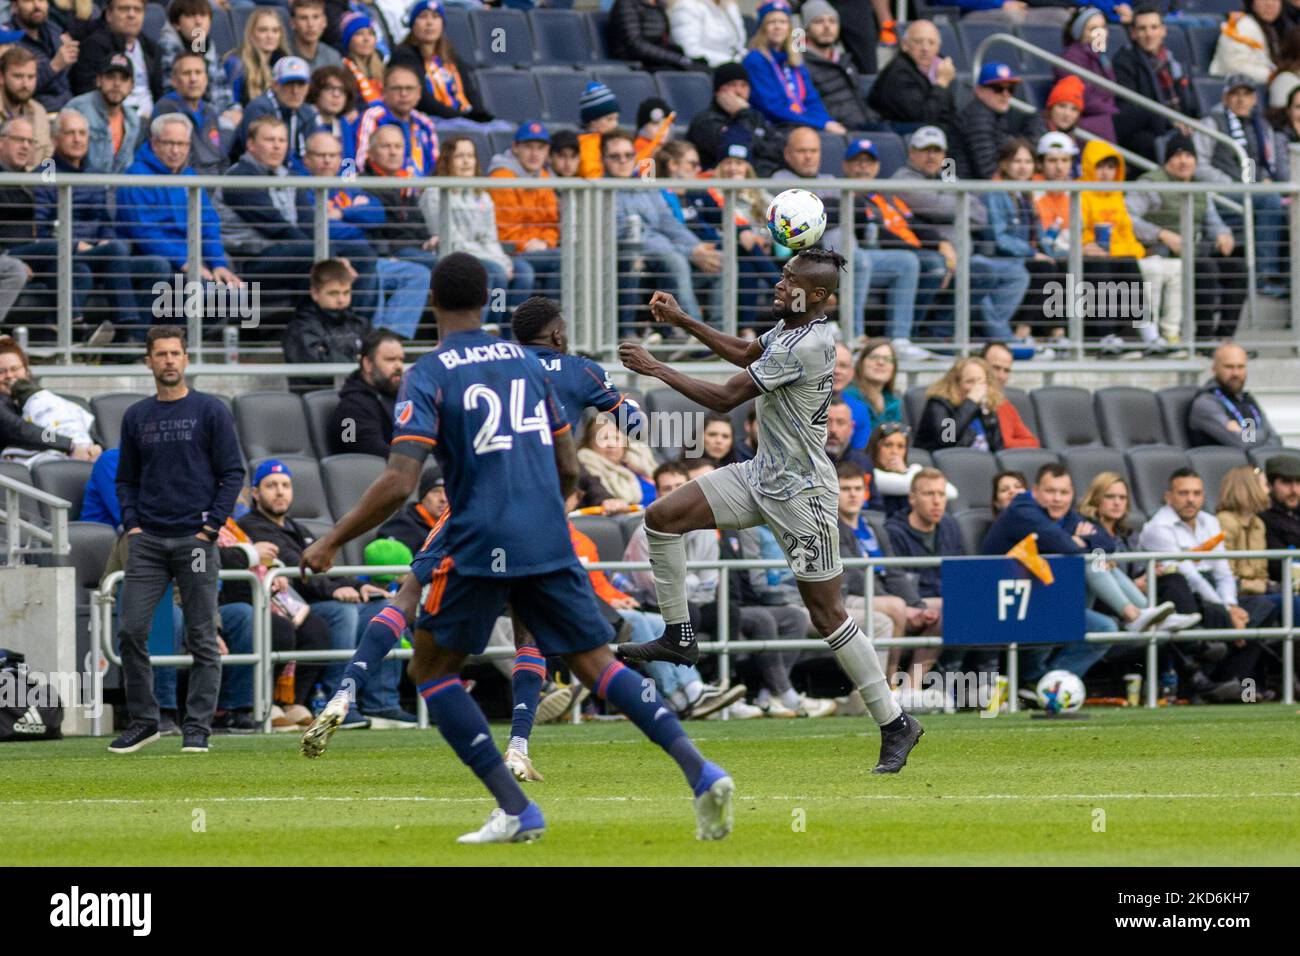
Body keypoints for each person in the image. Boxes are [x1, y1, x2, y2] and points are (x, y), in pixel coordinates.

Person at [302, 253, 735, 844]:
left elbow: (401, 482)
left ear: (433, 301)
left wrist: (331, 540)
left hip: (478, 532)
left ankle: (516, 808)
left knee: (432, 667)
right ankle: (701, 772)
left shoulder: (428, 373)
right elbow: (565, 465)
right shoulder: (536, 365)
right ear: (487, 302)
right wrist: (546, 510)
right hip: (545, 531)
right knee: (596, 663)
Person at [616, 253, 926, 774]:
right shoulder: (792, 327)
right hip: (761, 476)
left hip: (803, 496)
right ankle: (680, 636)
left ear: (820, 298)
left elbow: (722, 399)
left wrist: (655, 368)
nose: (781, 285)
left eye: (792, 282)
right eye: (784, 276)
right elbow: (745, 353)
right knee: (662, 517)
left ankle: (896, 722)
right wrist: (684, 320)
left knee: (827, 614)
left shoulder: (807, 343)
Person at [107, 326, 243, 756]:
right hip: (147, 541)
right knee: (131, 631)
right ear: (149, 361)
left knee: (202, 634)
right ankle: (145, 720)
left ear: (186, 359)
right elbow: (125, 478)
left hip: (197, 543)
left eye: (175, 353)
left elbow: (233, 473)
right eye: (160, 354)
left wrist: (210, 527)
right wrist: (132, 523)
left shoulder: (211, 410)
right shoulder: (136, 417)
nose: (168, 360)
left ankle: (198, 728)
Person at [31, 108, 172, 339]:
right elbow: (42, 227)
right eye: (70, 133)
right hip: (67, 254)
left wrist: (106, 239)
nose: (77, 139)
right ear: (55, 139)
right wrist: (77, 245)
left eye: (82, 133)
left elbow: (106, 220)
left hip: (101, 254)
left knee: (157, 265)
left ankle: (133, 341)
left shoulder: (94, 172)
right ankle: (130, 326)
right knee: (109, 255)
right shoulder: (47, 171)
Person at [1139, 466, 1274, 693]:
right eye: (1183, 493)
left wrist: (1231, 605)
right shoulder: (1157, 527)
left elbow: (1223, 572)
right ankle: (1207, 683)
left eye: (1196, 493)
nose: (1190, 500)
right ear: (1168, 497)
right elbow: (1189, 576)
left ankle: (1232, 682)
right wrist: (1227, 612)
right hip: (1179, 596)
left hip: (1211, 594)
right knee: (1181, 586)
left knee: (1265, 607)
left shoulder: (1210, 522)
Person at [892, 126, 1030, 342]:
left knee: (1016, 273)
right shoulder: (902, 179)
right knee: (981, 271)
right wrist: (955, 204)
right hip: (932, 251)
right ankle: (944, 335)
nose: (931, 156)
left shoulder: (946, 176)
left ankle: (981, 334)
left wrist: (950, 204)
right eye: (925, 150)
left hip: (965, 255)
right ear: (911, 153)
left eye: (937, 151)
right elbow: (936, 206)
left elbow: (980, 213)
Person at [1127, 133, 1247, 344]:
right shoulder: (1151, 184)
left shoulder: (1199, 187)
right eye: (1177, 156)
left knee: (1237, 267)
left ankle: (1225, 337)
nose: (1184, 161)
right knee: (1205, 268)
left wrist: (1223, 234)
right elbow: (1127, 216)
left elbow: (1212, 220)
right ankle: (1203, 338)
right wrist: (1160, 233)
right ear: (1167, 160)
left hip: (1192, 252)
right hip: (1158, 254)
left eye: (1189, 156)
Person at [605, 127, 719, 331]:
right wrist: (687, 251)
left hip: (663, 250)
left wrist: (696, 247)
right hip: (630, 255)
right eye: (615, 156)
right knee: (676, 261)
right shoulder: (602, 192)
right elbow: (630, 235)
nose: (623, 160)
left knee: (720, 260)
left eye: (628, 155)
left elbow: (667, 220)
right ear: (603, 159)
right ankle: (698, 336)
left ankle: (723, 336)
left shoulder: (645, 185)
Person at [1079, 139, 1183, 355]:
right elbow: (1079, 231)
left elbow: (1126, 232)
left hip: (1118, 254)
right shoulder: (1081, 194)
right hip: (1093, 254)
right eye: (1100, 167)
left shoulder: (1118, 195)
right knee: (1105, 268)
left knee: (1128, 262)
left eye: (1111, 167)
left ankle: (1149, 335)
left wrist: (1132, 251)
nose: (1106, 173)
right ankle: (1106, 335)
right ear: (1089, 167)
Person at [117, 113, 243, 286]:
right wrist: (185, 262)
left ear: (189, 145)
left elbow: (207, 223)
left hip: (193, 260)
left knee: (237, 293)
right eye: (169, 143)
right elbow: (145, 232)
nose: (175, 151)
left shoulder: (189, 176)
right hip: (161, 263)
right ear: (154, 143)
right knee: (212, 295)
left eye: (181, 144)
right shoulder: (136, 176)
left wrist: (218, 264)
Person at [1192, 73, 1287, 297]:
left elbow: (1258, 161)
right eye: (1235, 94)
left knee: (1283, 203)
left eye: (1246, 94)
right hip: (1219, 193)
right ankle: (1265, 276)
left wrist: (1259, 180)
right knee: (1270, 200)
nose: (1241, 100)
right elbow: (1199, 164)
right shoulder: (1212, 122)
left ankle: (1287, 277)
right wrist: (1232, 184)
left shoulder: (1260, 126)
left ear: (1255, 99)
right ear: (1225, 97)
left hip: (1248, 191)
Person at [423, 135, 535, 312]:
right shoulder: (435, 193)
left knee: (523, 272)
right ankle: (485, 327)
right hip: (453, 255)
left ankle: (506, 327)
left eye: (470, 156)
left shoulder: (481, 195)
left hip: (484, 255)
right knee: (495, 271)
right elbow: (451, 240)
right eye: (460, 156)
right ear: (447, 160)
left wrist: (503, 261)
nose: (466, 162)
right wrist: (496, 262)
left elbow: (490, 238)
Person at [218, 113, 318, 300]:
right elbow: (275, 226)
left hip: (283, 252)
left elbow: (308, 222)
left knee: (356, 252)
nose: (277, 146)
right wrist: (323, 252)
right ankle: (308, 324)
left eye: (282, 140)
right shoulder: (239, 178)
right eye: (269, 140)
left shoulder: (290, 177)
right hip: (246, 261)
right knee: (314, 255)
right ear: (251, 144)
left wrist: (330, 251)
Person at [882, 466, 959, 682]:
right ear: (912, 499)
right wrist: (918, 606)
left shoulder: (950, 526)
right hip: (908, 602)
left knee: (964, 607)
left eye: (941, 494)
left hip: (941, 599)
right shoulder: (893, 531)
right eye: (929, 494)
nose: (936, 501)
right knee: (951, 607)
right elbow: (894, 580)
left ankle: (975, 683)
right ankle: (907, 687)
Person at [1113, 5, 1201, 165]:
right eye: (1142, 29)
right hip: (1151, 131)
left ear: (1163, 31)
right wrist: (1170, 122)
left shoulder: (1174, 60)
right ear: (1133, 33)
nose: (1149, 34)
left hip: (1180, 126)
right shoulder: (1123, 62)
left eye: (1154, 27)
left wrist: (1191, 120)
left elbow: (1190, 100)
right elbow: (1131, 110)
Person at [388, 0, 496, 128]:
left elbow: (469, 91)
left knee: (502, 127)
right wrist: (460, 117)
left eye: (435, 17)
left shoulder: (449, 54)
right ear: (413, 24)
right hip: (431, 119)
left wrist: (479, 114)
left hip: (460, 117)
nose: (429, 23)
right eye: (423, 17)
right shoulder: (404, 55)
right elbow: (422, 99)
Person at [742, 0, 845, 134]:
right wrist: (821, 124)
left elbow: (812, 99)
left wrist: (826, 121)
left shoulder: (794, 59)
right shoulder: (755, 59)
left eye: (783, 22)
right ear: (762, 28)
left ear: (789, 28)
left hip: (801, 123)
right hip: (776, 127)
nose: (778, 27)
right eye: (771, 22)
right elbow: (773, 108)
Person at [487, 121, 561, 298]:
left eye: (540, 148)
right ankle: (516, 325)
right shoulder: (502, 177)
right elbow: (503, 230)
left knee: (563, 264)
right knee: (561, 260)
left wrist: (545, 242)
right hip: (509, 251)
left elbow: (551, 224)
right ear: (515, 148)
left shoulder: (543, 177)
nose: (535, 154)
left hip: (538, 250)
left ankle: (548, 321)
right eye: (528, 147)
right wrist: (527, 244)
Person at [0, 335, 98, 461]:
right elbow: (26, 431)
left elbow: (78, 423)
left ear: (26, 370)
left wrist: (95, 446)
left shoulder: (43, 400)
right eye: (1, 371)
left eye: (15, 369)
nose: (9, 375)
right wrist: (70, 444)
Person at [949, 62, 1046, 181]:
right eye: (998, 89)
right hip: (967, 191)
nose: (1006, 94)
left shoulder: (993, 114)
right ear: (979, 91)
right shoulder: (978, 117)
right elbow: (988, 171)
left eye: (1010, 89)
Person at [686, 61, 785, 177]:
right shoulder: (705, 121)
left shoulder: (755, 117)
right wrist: (742, 114)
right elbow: (738, 148)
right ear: (718, 91)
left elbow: (778, 150)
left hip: (759, 182)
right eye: (732, 85)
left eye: (743, 85)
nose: (739, 91)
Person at [70, 0, 161, 119]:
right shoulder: (95, 45)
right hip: (112, 119)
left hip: (151, 120)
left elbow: (159, 91)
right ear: (109, 15)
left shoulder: (151, 48)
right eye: (124, 9)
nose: (131, 15)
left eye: (138, 10)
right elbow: (87, 92)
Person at [800, 0, 877, 133]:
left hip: (867, 124)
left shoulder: (846, 62)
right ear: (806, 29)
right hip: (837, 131)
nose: (827, 27)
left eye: (832, 21)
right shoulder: (802, 64)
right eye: (818, 21)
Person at [231, 54, 318, 170]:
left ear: (308, 87)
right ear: (275, 85)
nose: (295, 91)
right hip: (255, 174)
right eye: (289, 84)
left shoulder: (308, 112)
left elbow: (314, 151)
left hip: (293, 176)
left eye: (301, 84)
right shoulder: (259, 108)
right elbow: (259, 154)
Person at [158, 0, 238, 124]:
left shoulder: (206, 47)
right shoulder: (167, 47)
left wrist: (234, 111)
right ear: (176, 24)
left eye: (203, 15)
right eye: (191, 16)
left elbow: (223, 90)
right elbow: (172, 95)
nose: (199, 22)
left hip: (216, 119)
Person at [328, 328, 404, 458]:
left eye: (401, 359)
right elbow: (362, 450)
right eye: (390, 360)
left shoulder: (402, 396)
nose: (399, 366)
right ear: (368, 364)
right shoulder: (351, 407)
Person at [865, 19, 956, 128]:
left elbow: (948, 115)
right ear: (905, 45)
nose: (925, 48)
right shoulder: (899, 73)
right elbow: (923, 118)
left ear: (938, 47)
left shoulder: (940, 67)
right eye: (918, 42)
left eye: (931, 43)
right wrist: (941, 83)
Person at [1187, 342, 1280, 448]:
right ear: (1214, 369)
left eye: (1240, 367)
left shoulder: (1246, 401)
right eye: (1229, 367)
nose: (1235, 373)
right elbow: (1242, 442)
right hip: (1224, 463)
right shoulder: (1206, 402)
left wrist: (1248, 434)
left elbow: (1276, 440)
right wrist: (1264, 433)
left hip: (1255, 462)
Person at [354, 62, 439, 175]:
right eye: (397, 88)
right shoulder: (373, 117)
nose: (403, 94)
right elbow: (360, 162)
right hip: (381, 188)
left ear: (419, 93)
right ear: (384, 92)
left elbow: (435, 166)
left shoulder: (425, 123)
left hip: (422, 190)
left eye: (409, 88)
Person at [153, 51, 229, 176]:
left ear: (206, 79)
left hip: (216, 186)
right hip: (187, 185)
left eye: (198, 73)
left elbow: (221, 156)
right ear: (174, 80)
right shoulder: (166, 108)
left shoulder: (210, 111)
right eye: (186, 73)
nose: (193, 79)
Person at [284, 257, 368, 364]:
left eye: (346, 292)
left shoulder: (361, 324)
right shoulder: (299, 329)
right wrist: (359, 360)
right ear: (315, 293)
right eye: (333, 293)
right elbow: (317, 369)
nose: (341, 300)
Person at [866, 420, 957, 516]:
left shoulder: (909, 473)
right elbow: (905, 484)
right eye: (888, 445)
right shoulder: (869, 473)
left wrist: (907, 471)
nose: (894, 451)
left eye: (900, 446)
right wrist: (911, 471)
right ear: (876, 448)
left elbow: (951, 492)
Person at [914, 356, 1005, 452]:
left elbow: (998, 447)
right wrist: (970, 402)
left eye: (981, 382)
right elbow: (947, 438)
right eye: (969, 381)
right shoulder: (938, 404)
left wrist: (988, 415)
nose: (976, 387)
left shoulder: (985, 406)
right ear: (956, 384)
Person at [1056, 6, 1119, 142]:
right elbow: (1083, 97)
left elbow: (1111, 91)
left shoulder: (1101, 56)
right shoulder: (1071, 57)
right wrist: (1112, 110)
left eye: (1103, 27)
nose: (1100, 33)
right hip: (1088, 116)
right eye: (1093, 29)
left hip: (1105, 112)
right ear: (1079, 33)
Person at [609, 0, 710, 72]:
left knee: (702, 67)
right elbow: (635, 44)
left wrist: (681, 57)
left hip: (659, 59)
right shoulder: (626, 3)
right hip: (639, 62)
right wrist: (676, 59)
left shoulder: (658, 5)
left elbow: (664, 39)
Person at [9, 0, 76, 110]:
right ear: (15, 6)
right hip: (31, 110)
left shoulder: (54, 29)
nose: (36, 6)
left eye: (41, 0)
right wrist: (54, 66)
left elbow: (67, 77)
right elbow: (17, 87)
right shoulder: (7, 38)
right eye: (28, 1)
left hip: (67, 105)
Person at [223, 6, 288, 108]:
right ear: (251, 33)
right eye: (263, 30)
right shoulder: (236, 62)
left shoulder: (284, 62)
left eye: (275, 30)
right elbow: (230, 104)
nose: (270, 36)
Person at [978, 342, 1040, 448]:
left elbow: (1033, 443)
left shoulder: (1004, 405)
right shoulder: (952, 402)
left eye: (1006, 370)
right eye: (996, 368)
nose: (1001, 376)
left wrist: (1005, 443)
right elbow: (947, 443)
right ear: (980, 366)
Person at [0, 45, 53, 166]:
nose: (25, 84)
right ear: (1, 77)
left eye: (31, 77)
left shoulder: (39, 112)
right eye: (18, 76)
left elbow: (48, 158)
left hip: (30, 183)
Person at [1210, 0, 1284, 84]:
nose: (1270, 3)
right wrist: (1272, 76)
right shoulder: (1243, 26)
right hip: (1230, 87)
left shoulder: (1276, 27)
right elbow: (1232, 66)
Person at [376, 467, 446, 553]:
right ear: (423, 497)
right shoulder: (402, 525)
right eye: (436, 491)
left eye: (448, 491)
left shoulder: (456, 524)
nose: (443, 498)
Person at [843, 338, 902, 440]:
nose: (880, 362)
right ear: (861, 363)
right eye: (874, 357)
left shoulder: (894, 401)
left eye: (887, 359)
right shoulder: (849, 397)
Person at [1260, 455, 1300, 589]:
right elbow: (1278, 567)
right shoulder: (1263, 517)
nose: (1294, 490)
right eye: (1286, 482)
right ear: (1270, 485)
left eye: (1299, 482)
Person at [668, 0, 746, 68]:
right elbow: (690, 51)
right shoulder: (686, 6)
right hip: (707, 71)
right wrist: (732, 61)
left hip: (731, 68)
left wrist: (732, 8)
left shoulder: (727, 7)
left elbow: (739, 45)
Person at [308, 64, 360, 161]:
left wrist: (348, 176)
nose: (336, 95)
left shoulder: (344, 124)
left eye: (342, 90)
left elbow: (349, 161)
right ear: (316, 91)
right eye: (329, 88)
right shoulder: (304, 119)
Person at [338, 12, 383, 110]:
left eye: (371, 34)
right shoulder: (344, 69)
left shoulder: (383, 68)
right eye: (359, 34)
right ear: (348, 40)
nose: (366, 39)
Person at [288, 0, 340, 71]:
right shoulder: (284, 55)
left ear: (324, 21)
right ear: (293, 23)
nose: (310, 24)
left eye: (316, 17)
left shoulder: (333, 57)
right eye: (303, 18)